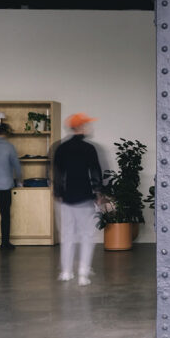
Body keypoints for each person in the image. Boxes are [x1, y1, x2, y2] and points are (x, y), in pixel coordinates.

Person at [53, 113, 102, 286]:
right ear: (79, 128)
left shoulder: (61, 148)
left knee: (67, 235)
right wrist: (98, 193)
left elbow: (57, 174)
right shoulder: (89, 149)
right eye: (87, 125)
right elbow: (95, 173)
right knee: (87, 236)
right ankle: (83, 273)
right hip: (84, 198)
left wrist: (58, 192)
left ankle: (66, 272)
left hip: (65, 199)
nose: (89, 127)